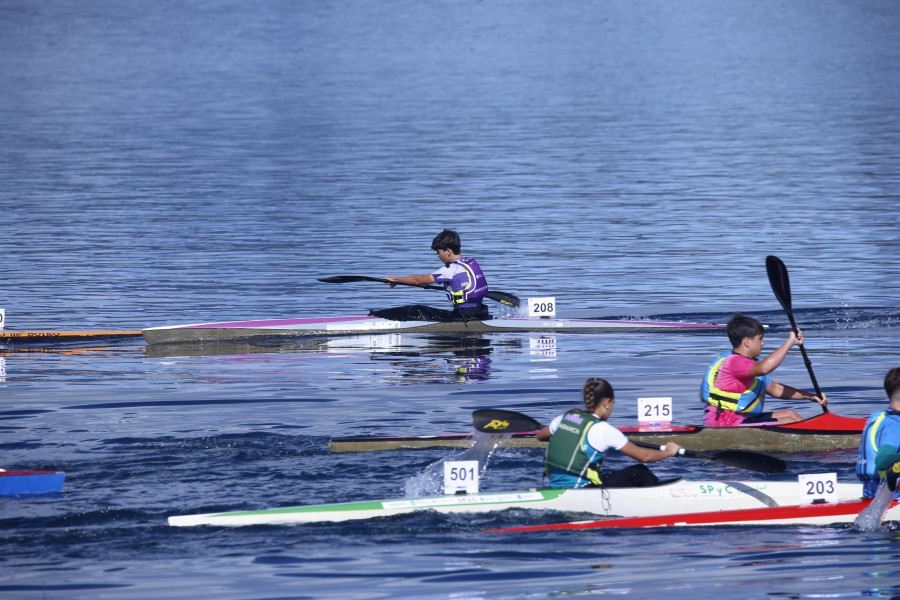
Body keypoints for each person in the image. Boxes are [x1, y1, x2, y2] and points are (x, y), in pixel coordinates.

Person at [536, 378, 681, 489]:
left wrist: (569, 435)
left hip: (554, 486)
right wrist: (669, 452)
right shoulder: (604, 429)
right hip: (584, 490)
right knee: (640, 471)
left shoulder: (565, 418)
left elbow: (540, 436)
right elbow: (644, 456)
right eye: (612, 405)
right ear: (607, 402)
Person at [700, 313, 827, 426]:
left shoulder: (750, 367)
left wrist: (810, 396)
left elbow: (776, 389)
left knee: (790, 413)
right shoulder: (734, 362)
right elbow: (765, 368)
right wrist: (790, 342)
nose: (763, 343)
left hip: (743, 418)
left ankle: (818, 434)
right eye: (760, 338)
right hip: (726, 423)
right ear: (746, 342)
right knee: (789, 421)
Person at [372, 229, 490, 322]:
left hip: (462, 316)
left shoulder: (450, 270)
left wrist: (395, 279)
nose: (437, 255)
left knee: (415, 309)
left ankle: (375, 317)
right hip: (480, 311)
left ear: (448, 251)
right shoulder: (471, 263)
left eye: (438, 252)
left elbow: (418, 280)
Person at [856, 367, 900, 498]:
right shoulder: (895, 424)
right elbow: (883, 459)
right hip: (892, 502)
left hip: (871, 495)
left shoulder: (878, 417)